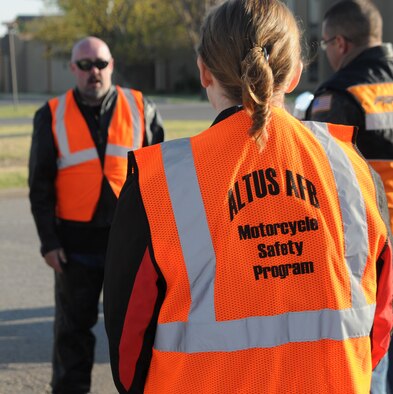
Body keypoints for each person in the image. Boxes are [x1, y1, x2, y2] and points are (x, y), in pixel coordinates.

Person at [104, 0, 393, 393]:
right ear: (294, 75)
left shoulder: (159, 183)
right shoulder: (355, 171)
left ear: (204, 71)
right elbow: (380, 320)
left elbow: (128, 345)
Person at [28, 36, 164, 394]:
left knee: (139, 331)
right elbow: (39, 185)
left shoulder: (140, 108)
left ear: (112, 65)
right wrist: (49, 242)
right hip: (74, 247)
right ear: (73, 69)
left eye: (100, 64)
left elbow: (161, 178)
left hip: (131, 244)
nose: (94, 72)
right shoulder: (51, 115)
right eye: (85, 65)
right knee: (72, 333)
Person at [304, 1, 393, 392]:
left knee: (369, 359)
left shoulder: (338, 95)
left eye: (324, 44)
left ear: (340, 43)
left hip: (370, 253)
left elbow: (317, 184)